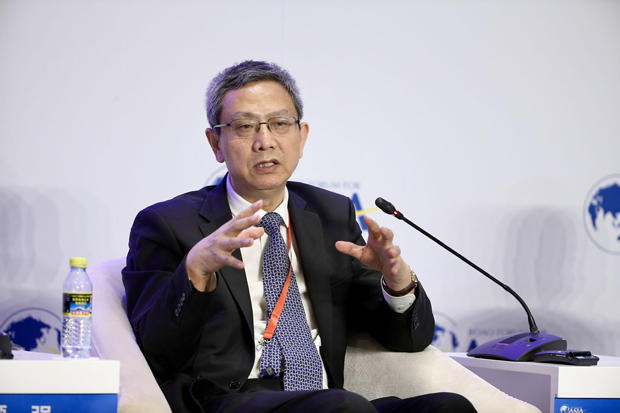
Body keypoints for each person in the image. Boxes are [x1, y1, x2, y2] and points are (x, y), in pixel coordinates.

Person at [122, 60, 476, 412]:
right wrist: (195, 271)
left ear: (301, 136)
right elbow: (157, 355)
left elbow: (407, 340)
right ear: (216, 142)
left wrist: (398, 286)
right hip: (226, 401)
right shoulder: (168, 225)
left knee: (448, 408)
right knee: (344, 407)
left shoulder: (330, 214)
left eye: (279, 124)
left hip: (324, 400)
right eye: (245, 126)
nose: (265, 142)